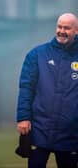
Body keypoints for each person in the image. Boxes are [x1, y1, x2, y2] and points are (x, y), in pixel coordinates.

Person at [16, 13, 78, 168]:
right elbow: (26, 88)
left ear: (76, 31)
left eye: (67, 28)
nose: (61, 31)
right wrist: (23, 118)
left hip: (70, 133)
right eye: (59, 26)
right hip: (40, 129)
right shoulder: (37, 54)